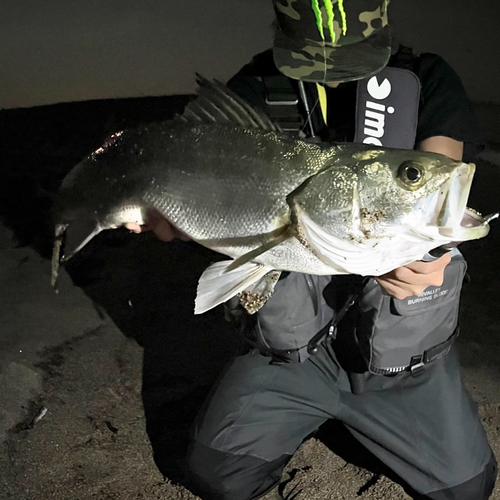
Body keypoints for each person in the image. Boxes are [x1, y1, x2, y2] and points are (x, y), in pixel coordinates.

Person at [126, 1, 497, 498]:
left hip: (398, 360)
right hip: (291, 356)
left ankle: (376, 413)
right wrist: (175, 219)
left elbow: (435, 175)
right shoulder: (255, 87)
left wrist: (432, 259)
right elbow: (213, 200)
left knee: (467, 489)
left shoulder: (426, 77)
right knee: (219, 474)